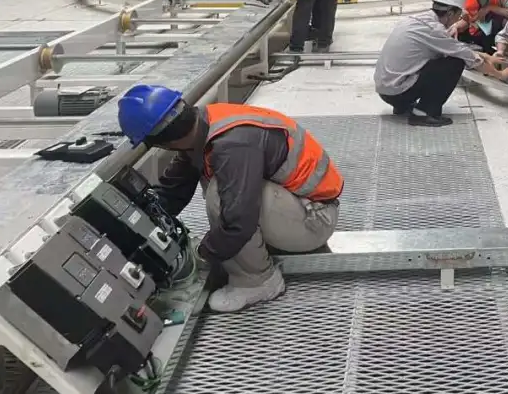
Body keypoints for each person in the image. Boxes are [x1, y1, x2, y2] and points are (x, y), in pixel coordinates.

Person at [117, 85, 343, 313]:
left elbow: (239, 221)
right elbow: (172, 192)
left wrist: (202, 254)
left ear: (161, 142)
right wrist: (132, 226)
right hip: (294, 209)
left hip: (315, 222)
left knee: (221, 194)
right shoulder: (204, 126)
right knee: (229, 194)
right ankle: (253, 260)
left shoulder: (232, 144)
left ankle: (259, 282)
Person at [375, 0, 508, 126]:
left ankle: (402, 106)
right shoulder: (434, 30)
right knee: (455, 62)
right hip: (397, 92)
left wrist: (488, 56)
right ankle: (423, 113)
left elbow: (454, 47)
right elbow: (468, 57)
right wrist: (500, 74)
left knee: (442, 57)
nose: (457, 20)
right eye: (458, 16)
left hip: (386, 89)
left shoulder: (418, 20)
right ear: (450, 13)